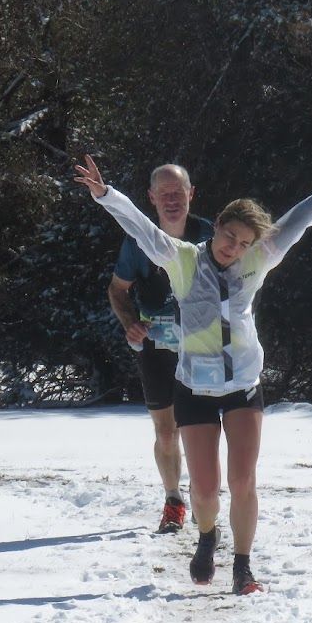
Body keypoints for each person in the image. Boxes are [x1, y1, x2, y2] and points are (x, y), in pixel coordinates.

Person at [75, 142, 312, 595]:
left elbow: (302, 217)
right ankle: (207, 536)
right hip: (193, 387)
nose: (235, 248)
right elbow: (140, 227)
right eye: (230, 236)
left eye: (245, 243)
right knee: (207, 490)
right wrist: (105, 194)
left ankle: (244, 566)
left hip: (243, 385)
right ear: (219, 227)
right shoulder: (184, 259)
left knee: (242, 480)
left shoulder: (259, 258)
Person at [107, 163, 214, 534]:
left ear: (191, 194)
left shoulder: (211, 236)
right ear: (151, 198)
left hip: (201, 346)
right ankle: (174, 499)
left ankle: (204, 498)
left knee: (201, 428)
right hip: (156, 345)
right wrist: (131, 324)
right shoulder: (138, 242)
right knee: (166, 432)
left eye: (178, 193)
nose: (171, 200)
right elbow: (117, 290)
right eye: (164, 194)